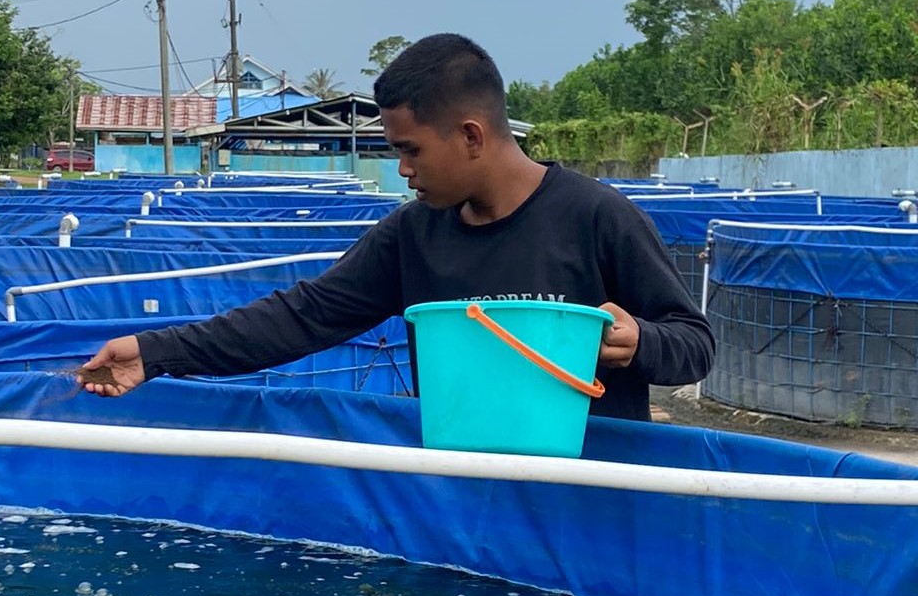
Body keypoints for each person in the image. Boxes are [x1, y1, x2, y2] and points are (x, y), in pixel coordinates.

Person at [79, 33, 714, 421]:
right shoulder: (414, 235)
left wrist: (642, 342)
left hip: (588, 498)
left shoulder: (597, 217)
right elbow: (301, 317)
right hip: (457, 495)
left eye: (410, 150)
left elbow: (694, 344)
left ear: (470, 135)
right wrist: (157, 353)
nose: (403, 170)